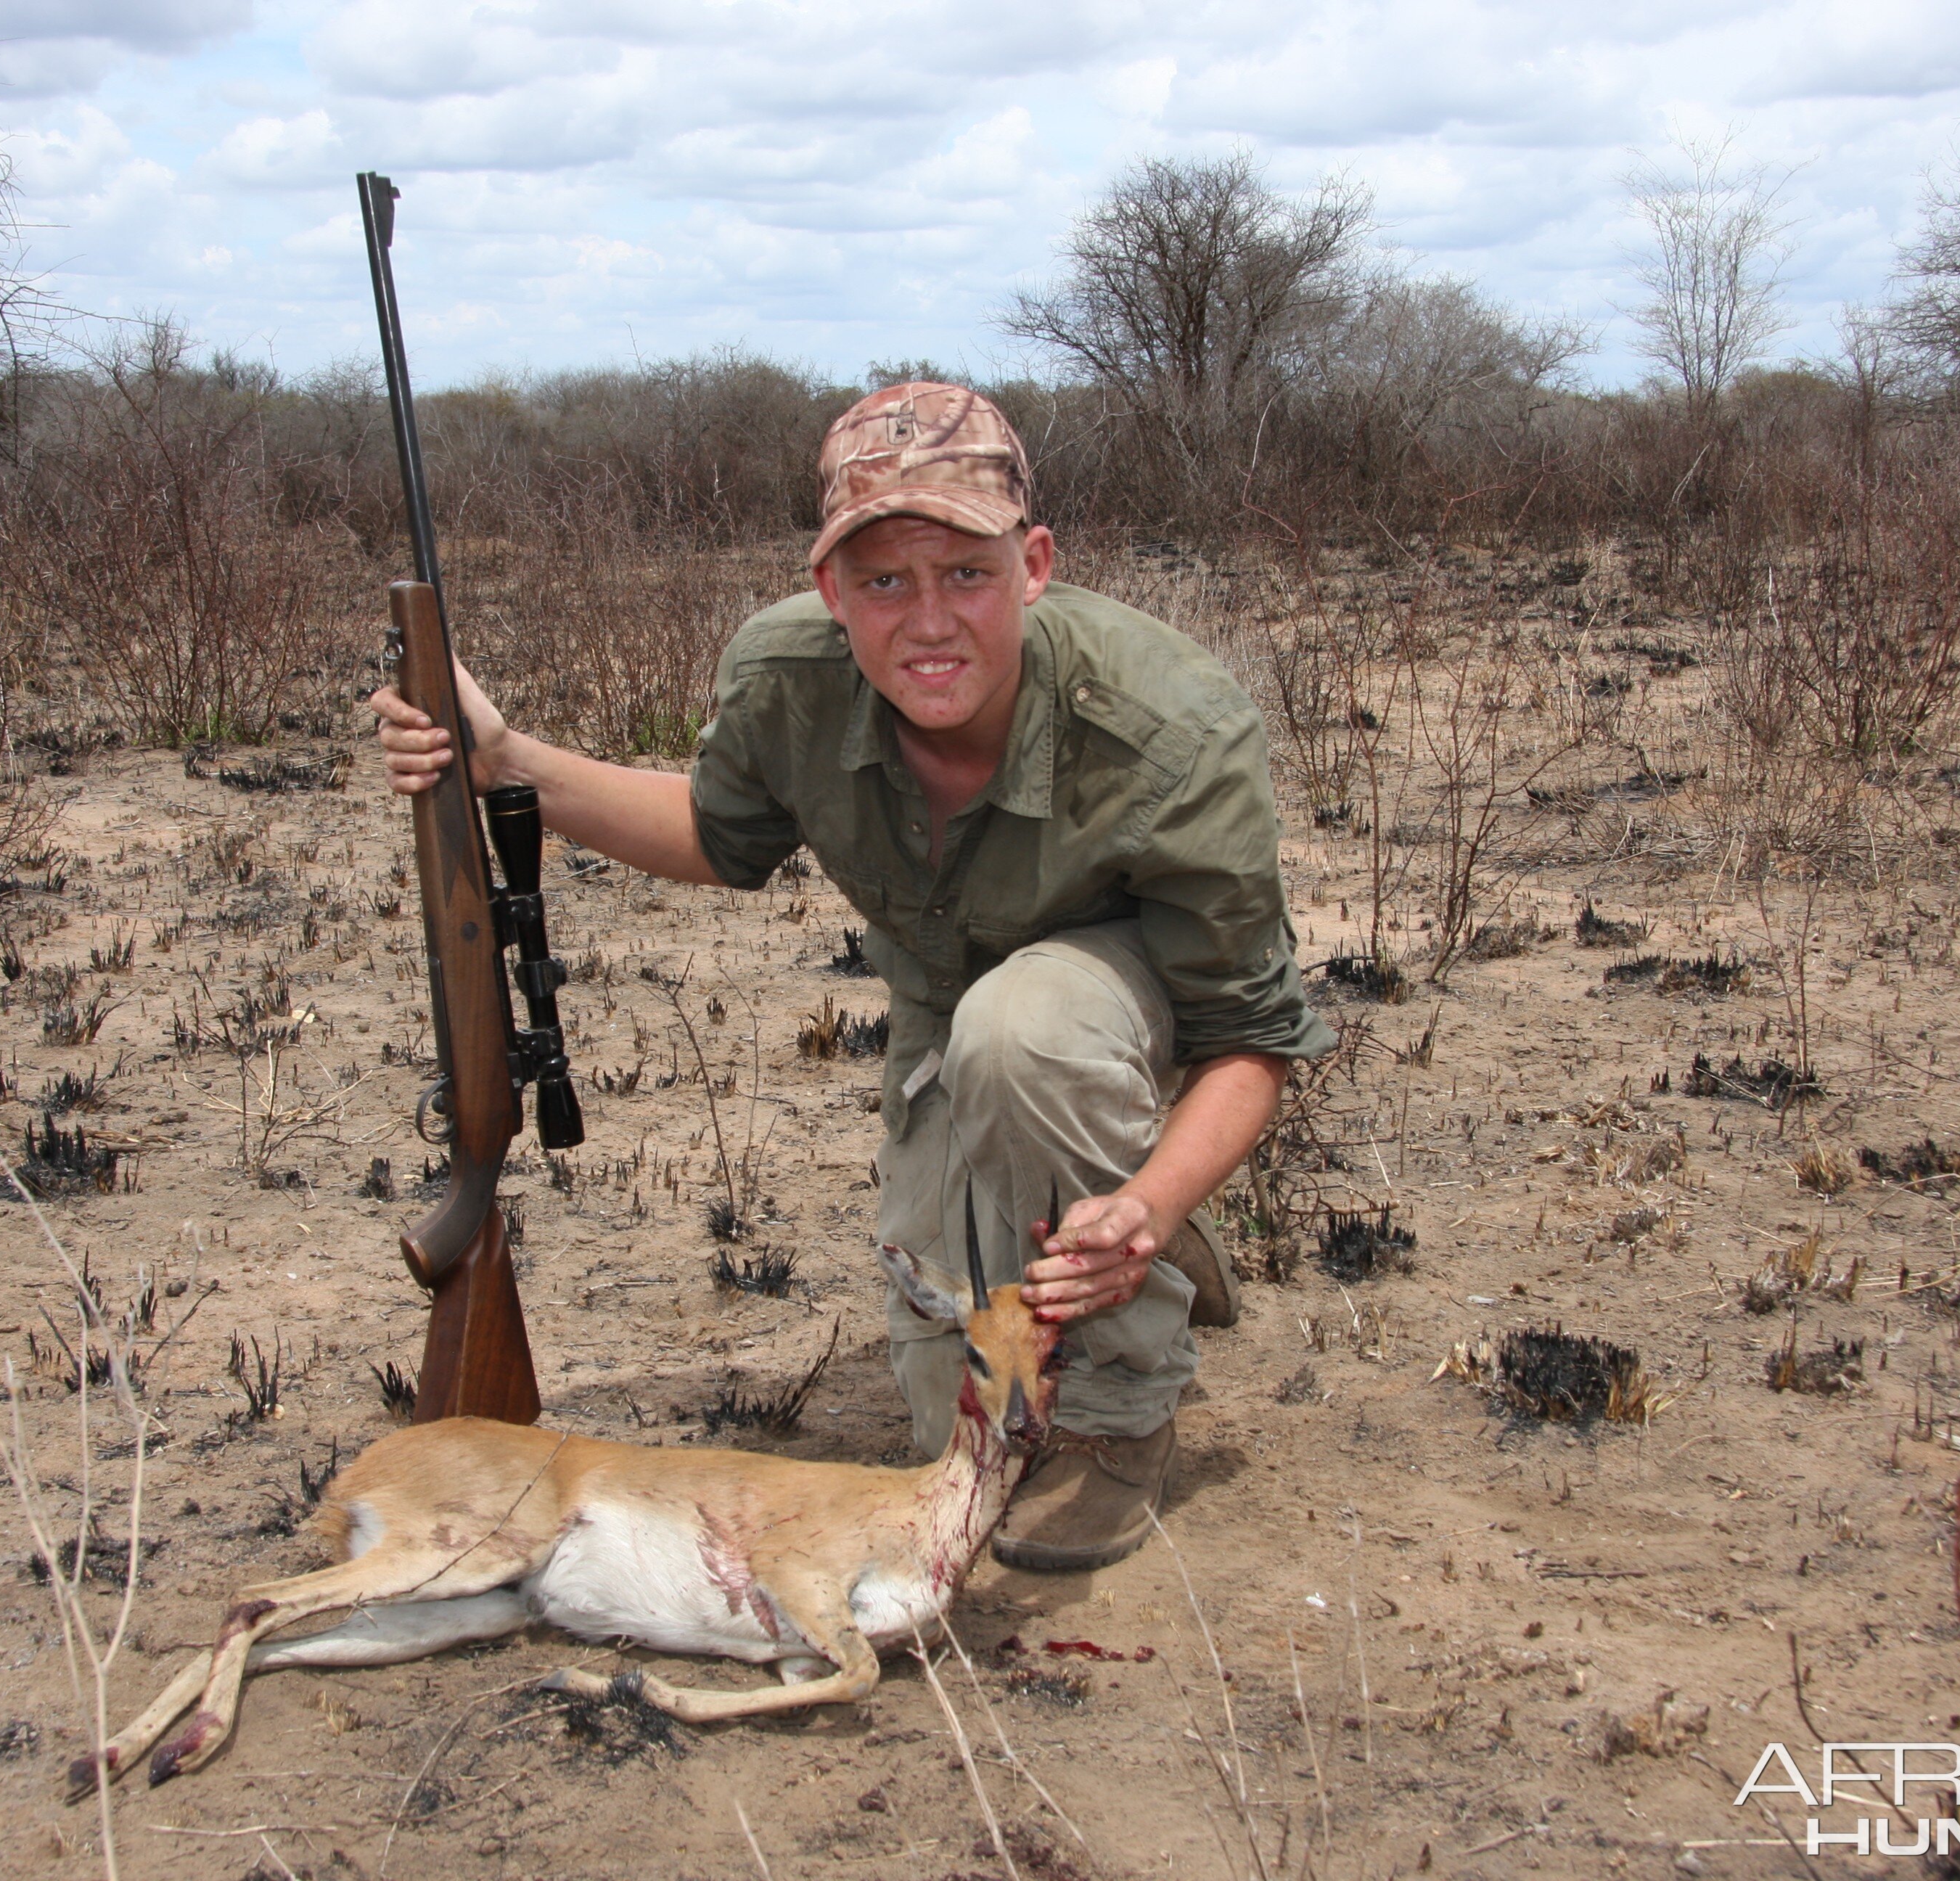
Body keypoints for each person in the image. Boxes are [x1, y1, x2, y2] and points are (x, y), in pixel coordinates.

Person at [372, 382, 1332, 1570]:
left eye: (964, 574)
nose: (926, 621)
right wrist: (503, 758)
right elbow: (715, 838)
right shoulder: (786, 674)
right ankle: (1121, 1218)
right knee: (955, 1421)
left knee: (1020, 1041)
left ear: (1032, 564)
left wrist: (1157, 1200)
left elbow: (1251, 1036)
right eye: (883, 581)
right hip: (948, 1020)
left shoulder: (1174, 723)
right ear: (831, 592)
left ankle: (1121, 1404)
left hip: (1107, 1014)